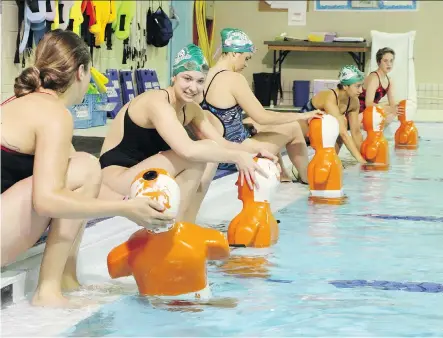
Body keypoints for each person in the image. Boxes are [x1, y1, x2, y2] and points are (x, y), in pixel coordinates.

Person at [1, 30, 174, 307]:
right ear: (82, 71)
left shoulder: (21, 102)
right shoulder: (55, 114)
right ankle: (48, 292)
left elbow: (86, 186)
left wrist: (135, 203)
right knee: (86, 165)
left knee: (83, 166)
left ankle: (67, 280)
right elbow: (47, 200)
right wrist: (125, 209)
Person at [99, 43, 277, 224]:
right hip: (115, 180)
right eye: (187, 78)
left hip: (147, 176)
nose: (193, 87)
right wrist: (237, 158)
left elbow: (221, 143)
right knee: (195, 155)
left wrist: (251, 153)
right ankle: (176, 229)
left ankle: (187, 223)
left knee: (210, 150)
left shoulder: (191, 110)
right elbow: (187, 151)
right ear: (174, 77)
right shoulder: (156, 101)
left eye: (200, 81)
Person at [197, 28, 321, 184]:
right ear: (235, 54)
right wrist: (302, 115)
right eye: (246, 58)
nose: (246, 64)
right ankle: (308, 179)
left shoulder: (204, 75)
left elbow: (223, 119)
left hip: (214, 152)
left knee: (260, 125)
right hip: (235, 155)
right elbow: (263, 117)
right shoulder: (234, 78)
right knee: (293, 127)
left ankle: (283, 176)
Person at [298, 65, 367, 164]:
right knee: (341, 123)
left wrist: (365, 158)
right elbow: (343, 133)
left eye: (362, 86)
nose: (361, 90)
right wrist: (361, 161)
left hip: (319, 130)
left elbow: (356, 132)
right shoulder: (330, 97)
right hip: (303, 129)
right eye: (357, 86)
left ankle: (329, 162)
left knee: (340, 123)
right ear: (345, 86)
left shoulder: (354, 101)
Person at [359, 47, 404, 126]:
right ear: (378, 62)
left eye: (391, 61)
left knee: (395, 109)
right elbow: (368, 103)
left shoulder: (389, 80)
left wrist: (399, 109)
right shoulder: (374, 78)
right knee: (388, 111)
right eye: (385, 61)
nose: (389, 64)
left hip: (372, 111)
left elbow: (392, 103)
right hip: (360, 111)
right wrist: (390, 109)